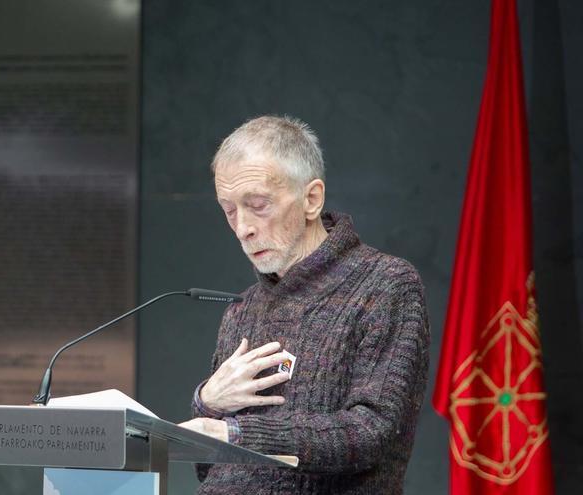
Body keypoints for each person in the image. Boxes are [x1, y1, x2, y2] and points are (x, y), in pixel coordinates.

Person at [178, 116, 430, 494]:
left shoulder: (385, 285)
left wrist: (237, 433)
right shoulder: (242, 309)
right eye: (229, 210)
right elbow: (209, 471)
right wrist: (208, 404)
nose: (243, 227)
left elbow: (372, 431)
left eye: (258, 205)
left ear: (311, 199)